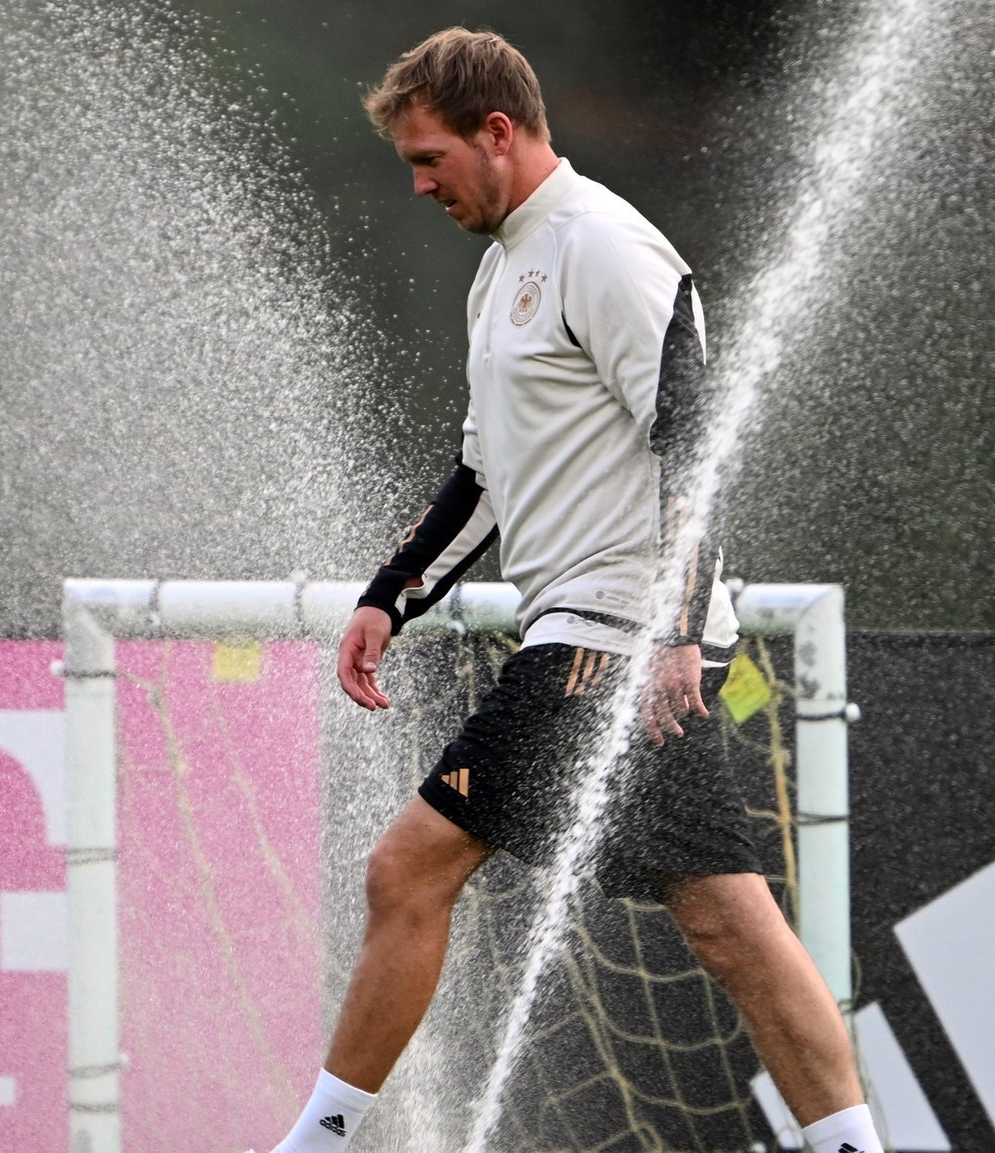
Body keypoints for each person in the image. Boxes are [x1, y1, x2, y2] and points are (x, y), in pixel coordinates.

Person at [261, 28, 883, 1153]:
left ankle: (314, 1144)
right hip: (602, 637)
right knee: (728, 922)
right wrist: (385, 597)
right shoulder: (501, 269)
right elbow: (482, 473)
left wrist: (680, 632)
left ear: (496, 133)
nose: (416, 184)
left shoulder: (600, 244)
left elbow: (693, 435)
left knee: (407, 864)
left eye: (428, 157)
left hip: (614, 639)